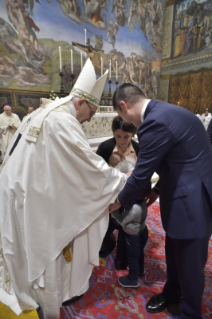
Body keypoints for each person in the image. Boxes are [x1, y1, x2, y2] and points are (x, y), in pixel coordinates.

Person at [0, 59, 127, 319]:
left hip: (16, 189)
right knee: (45, 245)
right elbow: (90, 169)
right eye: (90, 112)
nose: (90, 120)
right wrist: (124, 180)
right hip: (33, 198)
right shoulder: (63, 122)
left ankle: (30, 291)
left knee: (24, 250)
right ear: (80, 102)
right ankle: (44, 299)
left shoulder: (44, 111)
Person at [109, 83, 212, 319]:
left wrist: (117, 202)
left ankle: (190, 313)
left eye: (121, 115)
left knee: (190, 264)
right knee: (176, 253)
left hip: (191, 203)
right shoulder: (166, 112)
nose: (130, 125)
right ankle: (173, 292)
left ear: (123, 106)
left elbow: (140, 175)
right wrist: (156, 191)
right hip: (184, 195)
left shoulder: (154, 123)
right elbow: (178, 161)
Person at [97, 116, 149, 288]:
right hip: (109, 198)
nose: (122, 141)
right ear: (113, 134)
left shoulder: (139, 149)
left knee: (133, 235)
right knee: (105, 226)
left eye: (126, 137)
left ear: (132, 134)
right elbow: (96, 175)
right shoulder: (105, 147)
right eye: (118, 136)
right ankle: (105, 246)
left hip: (133, 201)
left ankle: (126, 262)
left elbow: (145, 178)